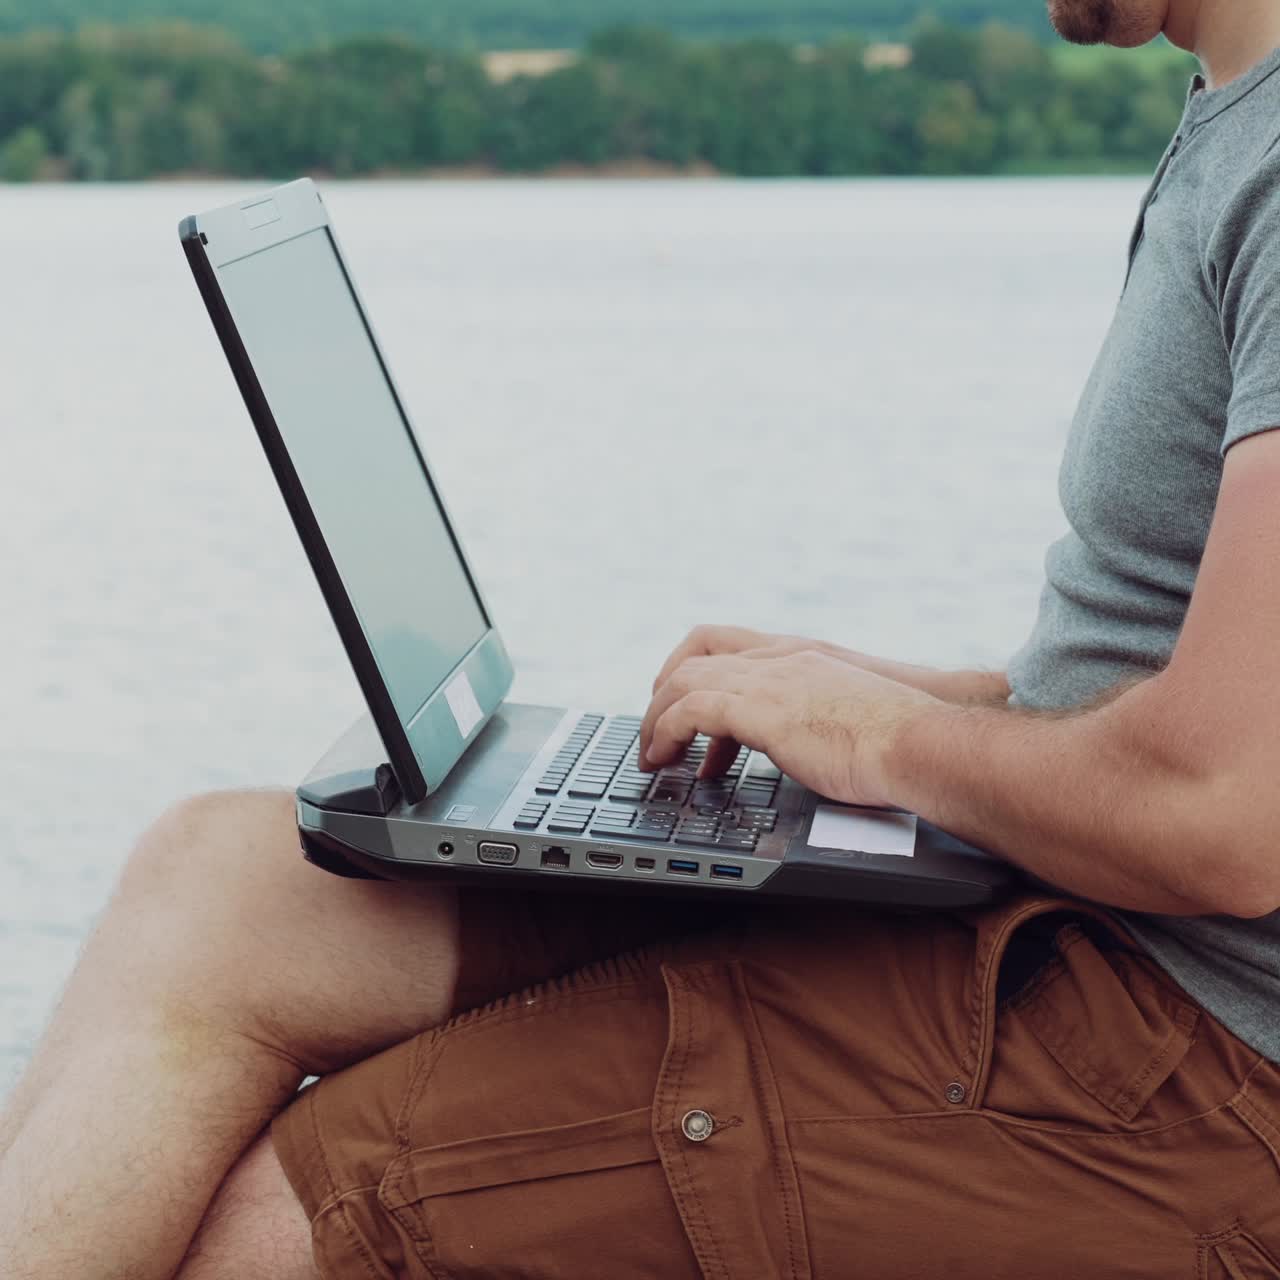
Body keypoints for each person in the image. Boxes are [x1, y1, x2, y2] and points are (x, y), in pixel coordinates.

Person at [6, 0, 1280, 1274]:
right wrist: (882, 698)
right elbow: (1169, 674)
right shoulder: (1226, 115)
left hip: (1184, 1065)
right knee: (221, 884)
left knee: (295, 1221)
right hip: (1063, 910)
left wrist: (885, 739)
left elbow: (1226, 814)